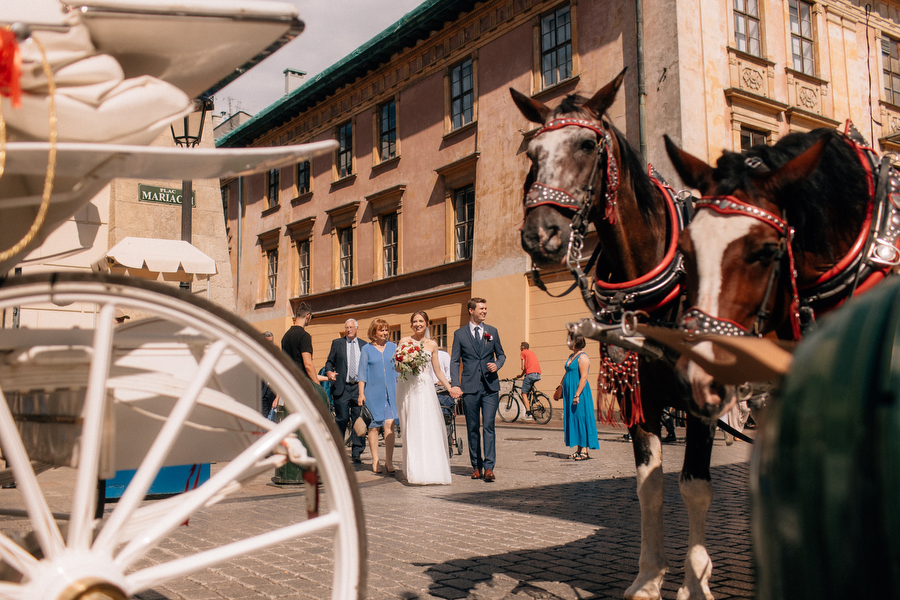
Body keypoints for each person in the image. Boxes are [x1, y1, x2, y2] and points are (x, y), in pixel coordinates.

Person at [450, 297, 505, 482]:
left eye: (486, 308)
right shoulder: (460, 334)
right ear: (471, 310)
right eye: (481, 309)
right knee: (472, 427)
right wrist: (456, 384)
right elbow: (455, 360)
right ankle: (476, 466)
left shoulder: (492, 331)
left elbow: (502, 354)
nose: (485, 311)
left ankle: (489, 467)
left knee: (488, 426)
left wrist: (497, 364)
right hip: (470, 387)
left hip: (490, 387)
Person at [396, 311, 452, 485]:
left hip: (425, 388)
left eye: (421, 321)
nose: (418, 324)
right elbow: (397, 368)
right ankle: (414, 469)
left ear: (427, 323)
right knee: (410, 426)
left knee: (428, 426)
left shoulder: (432, 345)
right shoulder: (404, 341)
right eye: (415, 321)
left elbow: (438, 371)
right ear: (411, 324)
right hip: (408, 387)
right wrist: (407, 363)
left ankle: (431, 469)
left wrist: (450, 388)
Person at [357, 318, 398, 474]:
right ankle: (375, 461)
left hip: (391, 393)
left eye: (386, 330)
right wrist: (361, 393)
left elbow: (399, 367)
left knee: (390, 425)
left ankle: (389, 461)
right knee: (374, 427)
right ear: (374, 332)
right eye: (381, 330)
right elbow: (362, 373)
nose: (385, 333)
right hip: (373, 393)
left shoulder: (393, 347)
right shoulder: (366, 349)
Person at [325, 319, 367, 463]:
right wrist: (329, 372)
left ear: (356, 328)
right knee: (341, 418)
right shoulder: (337, 343)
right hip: (342, 387)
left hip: (358, 387)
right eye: (346, 327)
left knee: (358, 419)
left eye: (351, 327)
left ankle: (357, 451)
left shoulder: (364, 345)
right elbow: (329, 362)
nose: (348, 330)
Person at [559, 333, 599, 460]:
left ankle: (585, 451)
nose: (567, 342)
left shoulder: (583, 357)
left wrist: (577, 395)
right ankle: (578, 449)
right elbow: (567, 373)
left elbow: (584, 377)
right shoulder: (572, 356)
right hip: (569, 392)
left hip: (579, 393)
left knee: (581, 418)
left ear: (576, 342)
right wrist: (560, 386)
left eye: (569, 340)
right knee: (574, 418)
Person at [281, 302, 317, 383]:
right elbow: (308, 365)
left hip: (288, 381)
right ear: (308, 316)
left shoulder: (285, 336)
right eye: (311, 317)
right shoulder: (304, 336)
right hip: (301, 382)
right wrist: (318, 386)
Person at [517, 341, 542, 420]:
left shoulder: (523, 352)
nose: (520, 348)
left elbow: (523, 367)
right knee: (529, 391)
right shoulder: (532, 353)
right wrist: (522, 375)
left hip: (530, 375)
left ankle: (528, 414)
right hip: (538, 374)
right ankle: (535, 398)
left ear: (523, 347)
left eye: (520, 347)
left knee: (523, 394)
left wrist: (520, 375)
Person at [261, 331, 278, 419]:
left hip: (273, 390)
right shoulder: (258, 352)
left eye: (271, 342)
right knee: (263, 418)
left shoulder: (276, 352)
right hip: (262, 390)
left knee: (273, 418)